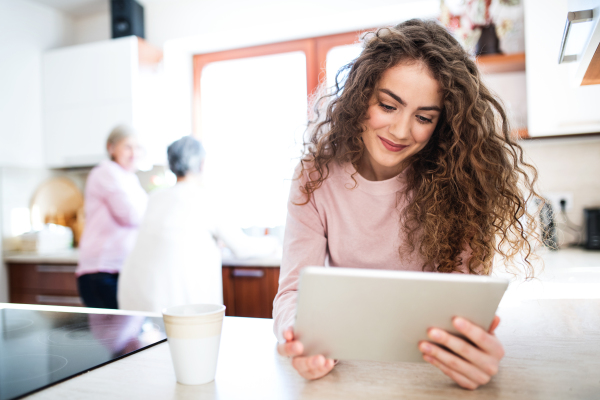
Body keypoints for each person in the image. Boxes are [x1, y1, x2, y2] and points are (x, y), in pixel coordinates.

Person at [274, 19, 541, 390]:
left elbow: (462, 306)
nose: (400, 131)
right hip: (345, 371)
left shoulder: (459, 183)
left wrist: (469, 350)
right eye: (388, 105)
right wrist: (298, 335)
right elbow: (291, 293)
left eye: (423, 117)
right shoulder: (314, 175)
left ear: (442, 123)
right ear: (361, 96)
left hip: (427, 376)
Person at [118, 136, 279, 313]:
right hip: (178, 306)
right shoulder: (207, 198)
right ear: (202, 164)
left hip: (138, 299)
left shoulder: (156, 197)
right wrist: (274, 242)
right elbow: (242, 248)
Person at [76, 125, 148, 309]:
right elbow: (131, 215)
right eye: (128, 146)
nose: (134, 153)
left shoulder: (129, 177)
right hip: (101, 270)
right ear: (111, 148)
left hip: (119, 268)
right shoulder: (106, 172)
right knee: (114, 335)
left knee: (123, 333)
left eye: (138, 147)